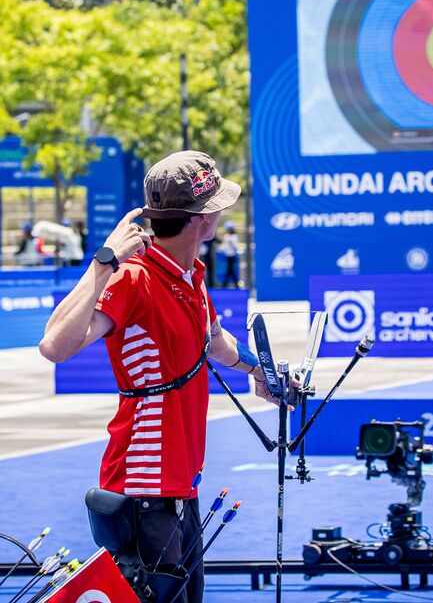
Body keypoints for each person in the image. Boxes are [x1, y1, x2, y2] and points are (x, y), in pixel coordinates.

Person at [39, 151, 280, 603]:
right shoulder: (133, 276)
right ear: (201, 219)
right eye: (217, 205)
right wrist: (104, 262)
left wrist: (262, 371)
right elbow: (55, 345)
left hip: (179, 482)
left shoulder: (192, 275)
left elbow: (215, 342)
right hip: (145, 485)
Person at [218, 222, 240, 288]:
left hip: (232, 256)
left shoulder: (234, 236)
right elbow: (224, 246)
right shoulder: (226, 236)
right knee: (230, 270)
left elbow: (235, 247)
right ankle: (233, 284)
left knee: (230, 270)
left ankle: (226, 285)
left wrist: (231, 241)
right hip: (227, 255)